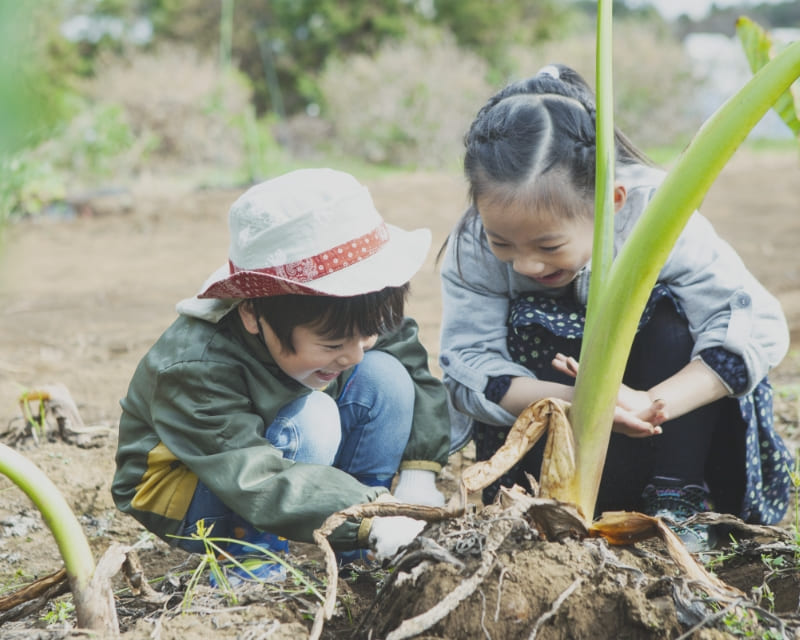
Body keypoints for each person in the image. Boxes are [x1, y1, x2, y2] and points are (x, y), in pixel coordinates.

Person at [438, 63, 793, 551]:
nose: (525, 264)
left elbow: (756, 327)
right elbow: (466, 367)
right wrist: (579, 401)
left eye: (547, 244)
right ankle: (543, 511)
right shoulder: (473, 242)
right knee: (524, 325)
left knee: (671, 312)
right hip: (552, 448)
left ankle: (679, 503)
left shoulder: (656, 209)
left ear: (612, 201)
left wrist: (647, 402)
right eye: (504, 243)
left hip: (662, 432)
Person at [112, 168, 450, 585]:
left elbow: (412, 369)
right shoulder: (196, 367)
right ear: (253, 312)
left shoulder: (354, 314)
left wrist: (418, 477)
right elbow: (249, 475)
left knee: (387, 377)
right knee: (314, 421)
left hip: (277, 453)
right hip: (193, 488)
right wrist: (373, 516)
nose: (353, 352)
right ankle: (249, 552)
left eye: (367, 333)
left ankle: (359, 542)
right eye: (331, 345)